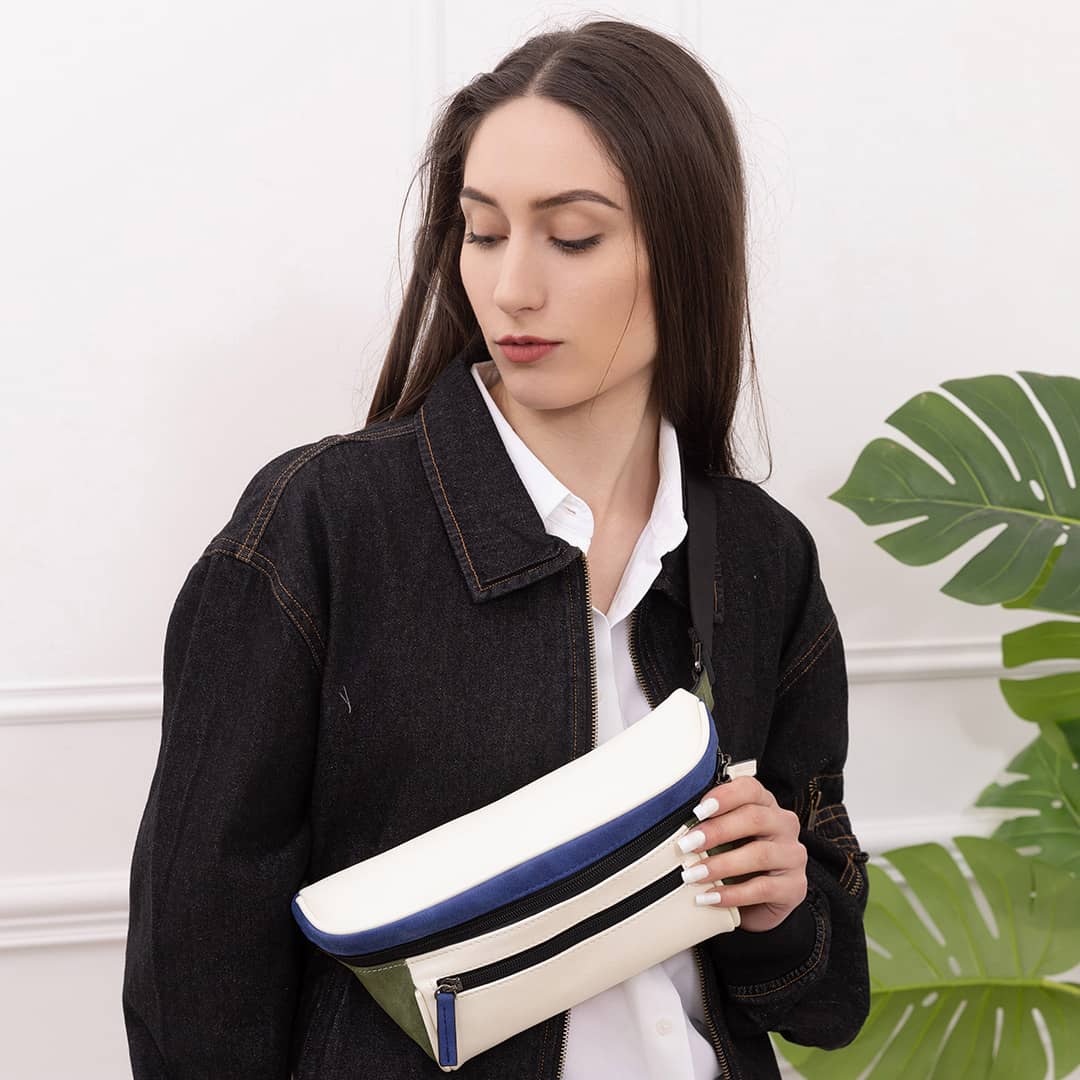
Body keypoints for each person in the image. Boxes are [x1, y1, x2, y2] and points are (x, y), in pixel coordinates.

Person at [122, 16, 869, 1080]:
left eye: (572, 237)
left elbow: (828, 1005)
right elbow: (194, 977)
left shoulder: (762, 559)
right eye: (482, 232)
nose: (513, 287)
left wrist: (783, 902)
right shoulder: (319, 528)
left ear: (689, 249)